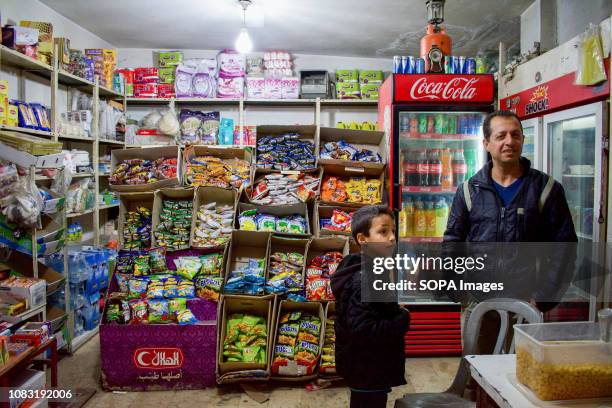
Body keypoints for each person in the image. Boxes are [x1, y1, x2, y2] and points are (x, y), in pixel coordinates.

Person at [444, 109, 577, 243]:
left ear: (523, 140)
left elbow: (565, 249)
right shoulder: (468, 191)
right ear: (486, 144)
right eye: (501, 136)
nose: (510, 141)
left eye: (515, 135)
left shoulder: (547, 189)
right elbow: (452, 244)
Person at [331, 205, 410, 408]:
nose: (392, 237)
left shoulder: (369, 269)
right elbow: (363, 329)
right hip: (367, 366)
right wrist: (401, 318)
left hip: (366, 365)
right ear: (362, 239)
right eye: (383, 231)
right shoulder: (366, 278)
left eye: (393, 231)